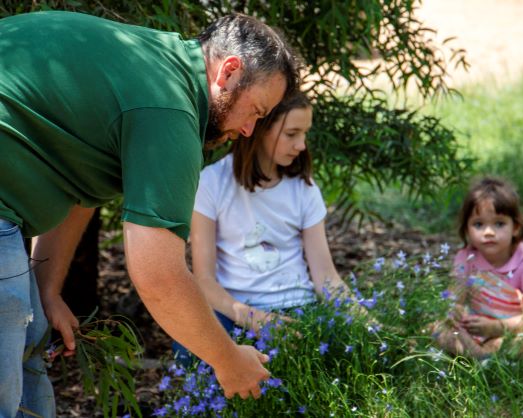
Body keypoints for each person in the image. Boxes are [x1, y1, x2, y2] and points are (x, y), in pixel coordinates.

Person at [0, 10, 300, 416]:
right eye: (256, 112)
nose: (249, 131)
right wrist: (228, 361)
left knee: (28, 338)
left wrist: (47, 287)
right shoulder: (171, 111)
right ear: (228, 72)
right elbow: (158, 276)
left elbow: (82, 185)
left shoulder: (161, 67)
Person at [172, 92, 355, 364]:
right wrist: (255, 319)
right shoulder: (212, 183)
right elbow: (204, 280)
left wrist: (372, 325)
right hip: (234, 310)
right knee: (188, 341)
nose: (302, 145)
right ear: (261, 130)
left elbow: (326, 278)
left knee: (335, 349)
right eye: (292, 134)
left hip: (295, 309)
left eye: (304, 134)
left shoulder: (304, 190)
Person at [431, 177, 523, 358]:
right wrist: (455, 312)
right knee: (438, 328)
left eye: (499, 223)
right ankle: (484, 358)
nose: (489, 232)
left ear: (516, 228)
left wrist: (494, 327)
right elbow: (454, 299)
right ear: (467, 230)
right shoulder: (466, 257)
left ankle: (477, 358)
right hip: (474, 333)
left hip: (510, 333)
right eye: (479, 224)